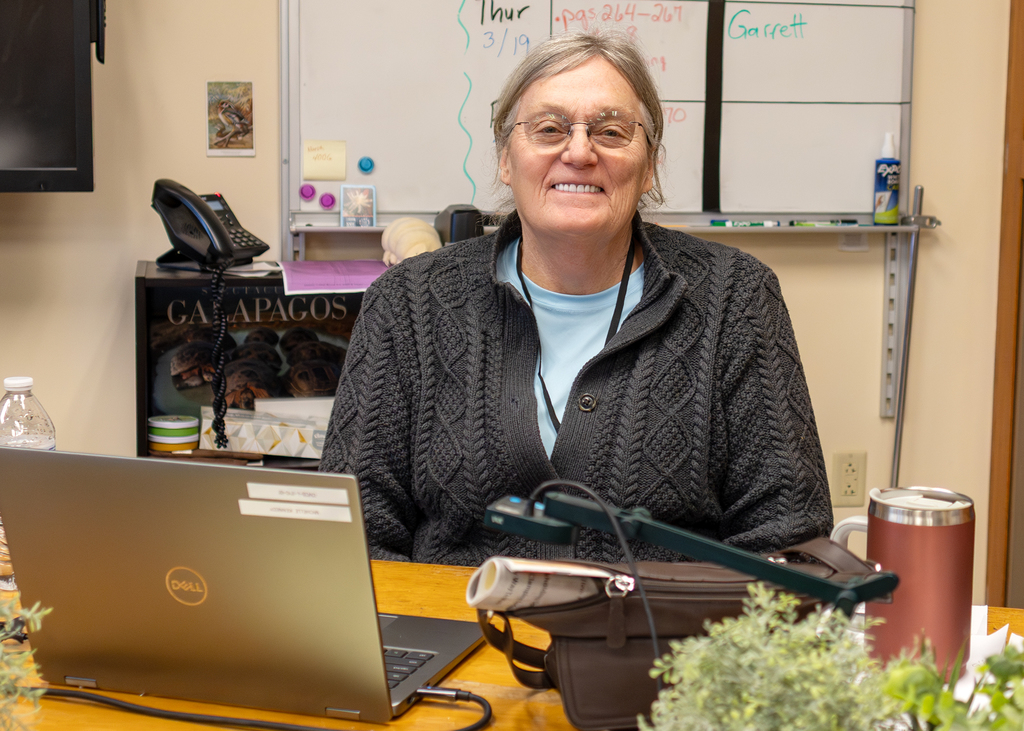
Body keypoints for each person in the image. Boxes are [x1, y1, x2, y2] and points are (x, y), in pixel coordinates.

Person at [321, 30, 833, 566]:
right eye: (549, 128)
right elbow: (353, 535)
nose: (580, 152)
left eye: (611, 131)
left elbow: (788, 536)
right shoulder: (409, 303)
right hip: (459, 637)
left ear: (650, 164)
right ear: (504, 159)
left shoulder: (735, 298)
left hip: (661, 644)